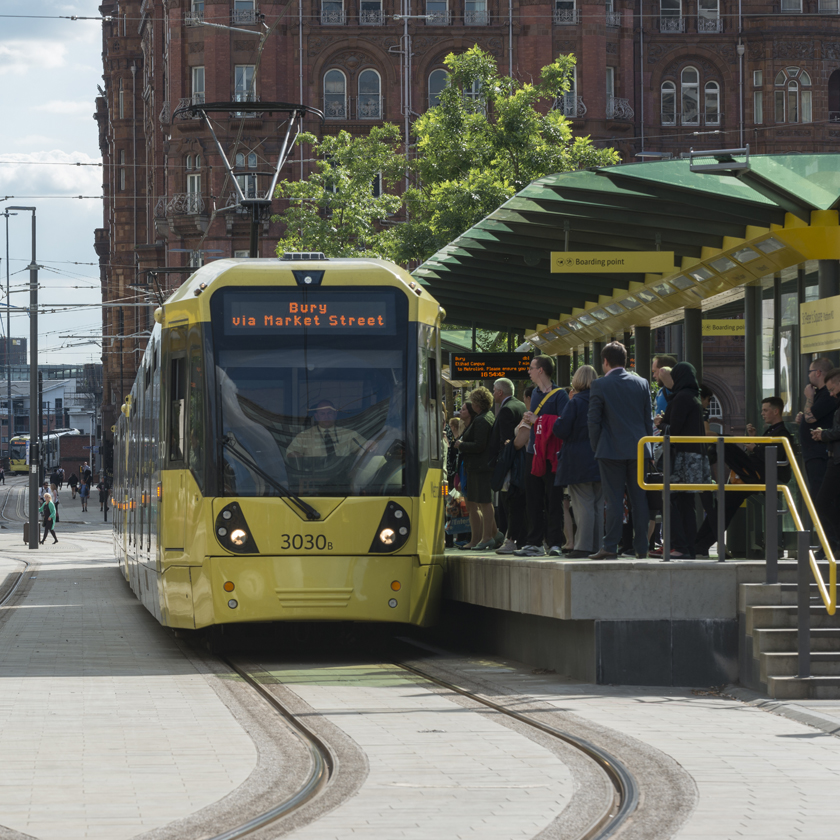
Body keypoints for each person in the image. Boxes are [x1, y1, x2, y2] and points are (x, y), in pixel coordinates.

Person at [588, 341, 654, 559]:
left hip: (610, 450)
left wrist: (597, 446)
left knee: (614, 499)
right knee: (639, 500)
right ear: (625, 361)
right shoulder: (642, 383)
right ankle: (642, 547)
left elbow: (593, 420)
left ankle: (610, 547)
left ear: (605, 362)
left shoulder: (599, 385)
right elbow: (648, 420)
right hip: (639, 449)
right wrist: (649, 449)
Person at [652, 363, 710, 559]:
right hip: (694, 457)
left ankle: (680, 546)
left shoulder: (681, 398)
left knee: (674, 502)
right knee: (687, 504)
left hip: (681, 458)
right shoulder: (693, 396)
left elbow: (674, 428)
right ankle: (688, 548)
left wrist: (661, 424)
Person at [514, 356, 569, 557]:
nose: (528, 371)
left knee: (553, 499)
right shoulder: (535, 394)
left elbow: (563, 423)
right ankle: (534, 541)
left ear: (541, 370)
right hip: (534, 452)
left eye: (531, 367)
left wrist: (538, 419)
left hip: (551, 455)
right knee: (533, 499)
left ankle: (555, 542)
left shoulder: (560, 395)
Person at [554, 366, 603, 558]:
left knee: (583, 504)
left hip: (578, 460)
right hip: (600, 458)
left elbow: (561, 429)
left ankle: (583, 545)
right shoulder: (602, 400)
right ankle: (599, 545)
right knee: (598, 504)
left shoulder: (575, 402)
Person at [453, 386, 501, 551]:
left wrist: (461, 445)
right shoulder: (486, 417)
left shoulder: (481, 420)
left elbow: (480, 445)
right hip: (479, 467)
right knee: (480, 503)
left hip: (480, 468)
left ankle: (485, 537)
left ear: (477, 403)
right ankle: (487, 536)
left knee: (484, 503)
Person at [487, 378, 527, 555]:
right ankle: (519, 538)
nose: (493, 393)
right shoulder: (520, 406)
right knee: (519, 503)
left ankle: (511, 539)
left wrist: (501, 464)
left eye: (494, 390)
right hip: (523, 462)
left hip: (511, 466)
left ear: (500, 392)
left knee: (509, 503)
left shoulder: (505, 410)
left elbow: (505, 442)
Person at [796, 357, 838, 496]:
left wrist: (809, 398)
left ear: (818, 372)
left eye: (810, 371)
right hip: (814, 452)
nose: (808, 375)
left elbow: (811, 418)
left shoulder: (827, 395)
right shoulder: (820, 393)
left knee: (820, 496)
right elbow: (811, 416)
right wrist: (802, 418)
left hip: (820, 453)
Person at [812, 369, 840, 553]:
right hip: (835, 459)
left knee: (822, 502)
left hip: (837, 461)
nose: (830, 394)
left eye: (832, 389)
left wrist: (824, 434)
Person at [287, 399, 367, 459]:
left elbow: (366, 449)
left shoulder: (349, 434)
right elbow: (291, 453)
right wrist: (302, 460)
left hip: (343, 478)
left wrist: (372, 444)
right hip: (313, 477)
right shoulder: (304, 436)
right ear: (316, 416)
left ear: (335, 414)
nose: (326, 417)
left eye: (329, 413)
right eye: (322, 414)